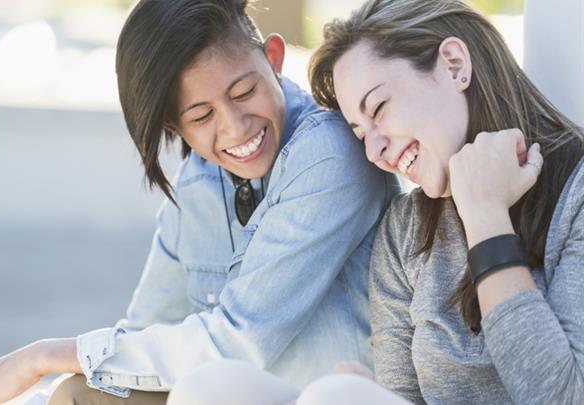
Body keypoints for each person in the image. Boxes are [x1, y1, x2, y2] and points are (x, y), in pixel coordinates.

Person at [0, 1, 396, 404]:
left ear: (275, 60)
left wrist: (42, 355)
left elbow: (238, 342)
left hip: (322, 395)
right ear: (175, 124)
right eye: (202, 116)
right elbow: (144, 333)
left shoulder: (329, 154)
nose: (236, 128)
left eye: (244, 92)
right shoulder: (198, 179)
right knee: (71, 395)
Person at [168, 0, 584, 404]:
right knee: (210, 389)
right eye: (361, 132)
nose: (375, 151)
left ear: (454, 65)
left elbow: (562, 394)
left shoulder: (576, 196)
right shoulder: (405, 230)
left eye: (379, 109)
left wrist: (486, 219)